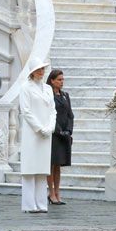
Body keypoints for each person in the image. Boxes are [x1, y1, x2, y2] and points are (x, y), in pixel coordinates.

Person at [19, 57, 56, 213]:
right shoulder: (25, 87)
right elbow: (26, 111)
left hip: (46, 135)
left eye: (43, 69)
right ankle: (28, 204)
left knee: (42, 169)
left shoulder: (47, 88)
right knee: (30, 169)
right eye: (39, 69)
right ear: (33, 72)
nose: (42, 72)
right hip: (32, 134)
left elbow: (53, 110)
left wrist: (50, 127)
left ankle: (41, 204)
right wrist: (39, 128)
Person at [46, 69, 73, 205]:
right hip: (54, 134)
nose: (61, 82)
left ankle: (57, 192)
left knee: (59, 166)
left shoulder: (65, 95)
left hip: (65, 135)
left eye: (62, 80)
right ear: (52, 80)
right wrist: (59, 130)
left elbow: (70, 115)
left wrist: (68, 130)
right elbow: (49, 114)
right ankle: (51, 193)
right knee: (51, 164)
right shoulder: (48, 95)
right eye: (59, 80)